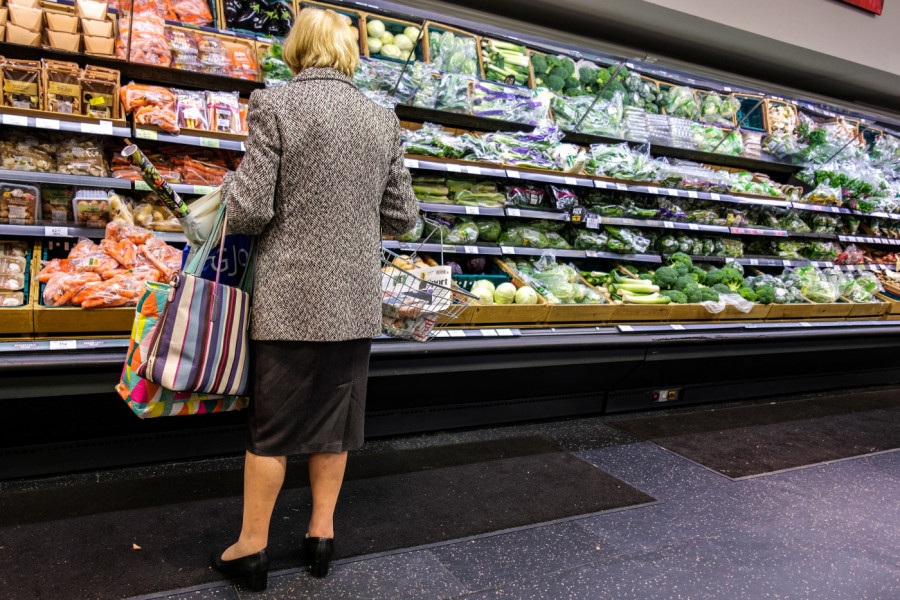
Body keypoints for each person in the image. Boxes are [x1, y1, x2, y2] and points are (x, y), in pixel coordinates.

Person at [209, 7, 419, 591]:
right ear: (350, 52)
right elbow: (403, 217)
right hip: (352, 300)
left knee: (271, 430)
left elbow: (251, 210)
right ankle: (320, 537)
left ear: (296, 50)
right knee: (334, 427)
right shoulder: (382, 120)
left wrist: (227, 185)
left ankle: (251, 550)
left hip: (289, 298)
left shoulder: (275, 104)